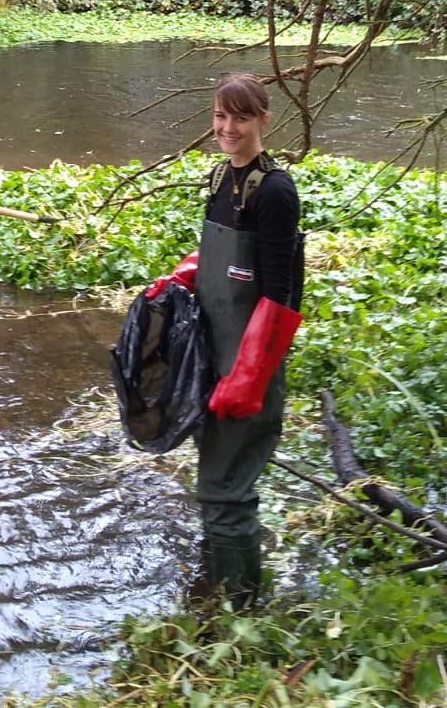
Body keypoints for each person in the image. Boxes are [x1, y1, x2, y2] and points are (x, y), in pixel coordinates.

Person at [145, 72, 303, 608]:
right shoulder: (219, 177)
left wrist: (248, 378)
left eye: (240, 117)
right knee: (215, 479)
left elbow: (280, 293)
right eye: (219, 115)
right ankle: (215, 586)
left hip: (249, 368)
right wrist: (180, 278)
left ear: (263, 120)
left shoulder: (276, 192)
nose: (227, 128)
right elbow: (218, 255)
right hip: (213, 356)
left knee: (224, 489)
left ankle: (240, 615)